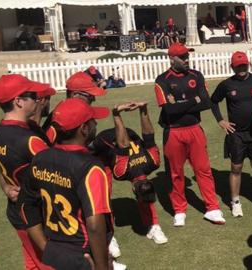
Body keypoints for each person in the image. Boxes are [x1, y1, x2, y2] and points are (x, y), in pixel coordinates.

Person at [22, 98, 112, 270]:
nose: (96, 123)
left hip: (54, 253)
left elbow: (26, 206)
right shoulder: (90, 167)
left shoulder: (40, 158)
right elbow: (94, 226)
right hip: (84, 256)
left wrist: (45, 248)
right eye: (92, 121)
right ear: (84, 129)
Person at [154, 43, 225, 226]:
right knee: (175, 174)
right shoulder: (162, 80)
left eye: (187, 56)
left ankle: (213, 208)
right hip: (173, 131)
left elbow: (206, 103)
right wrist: (194, 99)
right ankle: (179, 210)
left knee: (203, 170)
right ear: (172, 59)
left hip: (195, 129)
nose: (187, 60)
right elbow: (169, 111)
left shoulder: (196, 75)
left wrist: (180, 103)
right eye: (182, 57)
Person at [0, 74, 51, 270]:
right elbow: (58, 176)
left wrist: (6, 187)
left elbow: (3, 170)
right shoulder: (29, 140)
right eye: (32, 95)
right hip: (36, 217)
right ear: (18, 101)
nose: (37, 98)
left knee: (33, 263)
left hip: (18, 214)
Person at [92, 101, 168, 244]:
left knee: (144, 195)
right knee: (103, 194)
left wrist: (143, 109)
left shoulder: (153, 162)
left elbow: (148, 135)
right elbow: (125, 145)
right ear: (133, 188)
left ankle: (153, 226)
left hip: (124, 139)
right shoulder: (122, 171)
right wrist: (115, 114)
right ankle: (108, 236)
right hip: (102, 147)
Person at [210, 51, 252, 217]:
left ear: (248, 64)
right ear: (232, 67)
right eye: (238, 66)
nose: (242, 68)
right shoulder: (226, 85)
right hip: (236, 134)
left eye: (244, 65)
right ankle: (235, 201)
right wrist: (221, 121)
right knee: (236, 167)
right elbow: (213, 101)